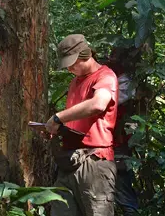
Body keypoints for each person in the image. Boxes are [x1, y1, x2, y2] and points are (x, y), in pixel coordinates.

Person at [46, 34, 118, 216]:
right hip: (69, 160)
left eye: (71, 63)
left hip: (94, 161)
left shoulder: (105, 76)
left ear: (85, 55)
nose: (69, 68)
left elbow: (98, 104)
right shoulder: (75, 82)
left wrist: (58, 117)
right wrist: (59, 129)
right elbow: (76, 119)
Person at [105, 47, 139, 215]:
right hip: (107, 141)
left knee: (123, 187)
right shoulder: (112, 76)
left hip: (120, 143)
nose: (110, 58)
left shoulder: (127, 82)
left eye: (114, 55)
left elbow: (109, 103)